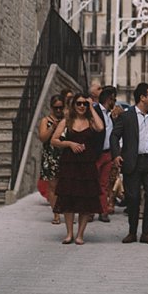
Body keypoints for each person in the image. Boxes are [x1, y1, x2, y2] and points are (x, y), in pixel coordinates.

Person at [51, 92, 105, 245]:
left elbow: (101, 127)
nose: (82, 106)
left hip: (87, 164)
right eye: (79, 103)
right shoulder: (67, 121)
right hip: (70, 164)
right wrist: (69, 144)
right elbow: (54, 141)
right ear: (73, 105)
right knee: (68, 198)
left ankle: (80, 234)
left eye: (84, 104)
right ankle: (69, 233)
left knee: (85, 200)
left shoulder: (90, 120)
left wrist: (92, 107)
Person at [110, 82, 148, 245]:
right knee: (133, 197)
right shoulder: (127, 116)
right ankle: (132, 231)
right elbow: (114, 136)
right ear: (142, 97)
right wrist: (116, 154)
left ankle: (146, 232)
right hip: (132, 161)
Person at [37, 94, 65, 222]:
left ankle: (65, 211)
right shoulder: (45, 121)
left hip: (64, 155)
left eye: (61, 107)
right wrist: (52, 128)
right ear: (51, 107)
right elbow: (42, 138)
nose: (58, 110)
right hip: (51, 155)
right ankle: (56, 214)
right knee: (53, 185)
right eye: (56, 108)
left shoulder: (66, 120)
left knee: (65, 186)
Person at [93, 85, 118, 223]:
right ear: (109, 99)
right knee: (92, 183)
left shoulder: (111, 115)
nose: (115, 102)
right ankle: (90, 211)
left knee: (104, 184)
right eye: (113, 99)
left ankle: (103, 211)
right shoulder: (95, 111)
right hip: (96, 153)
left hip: (108, 154)